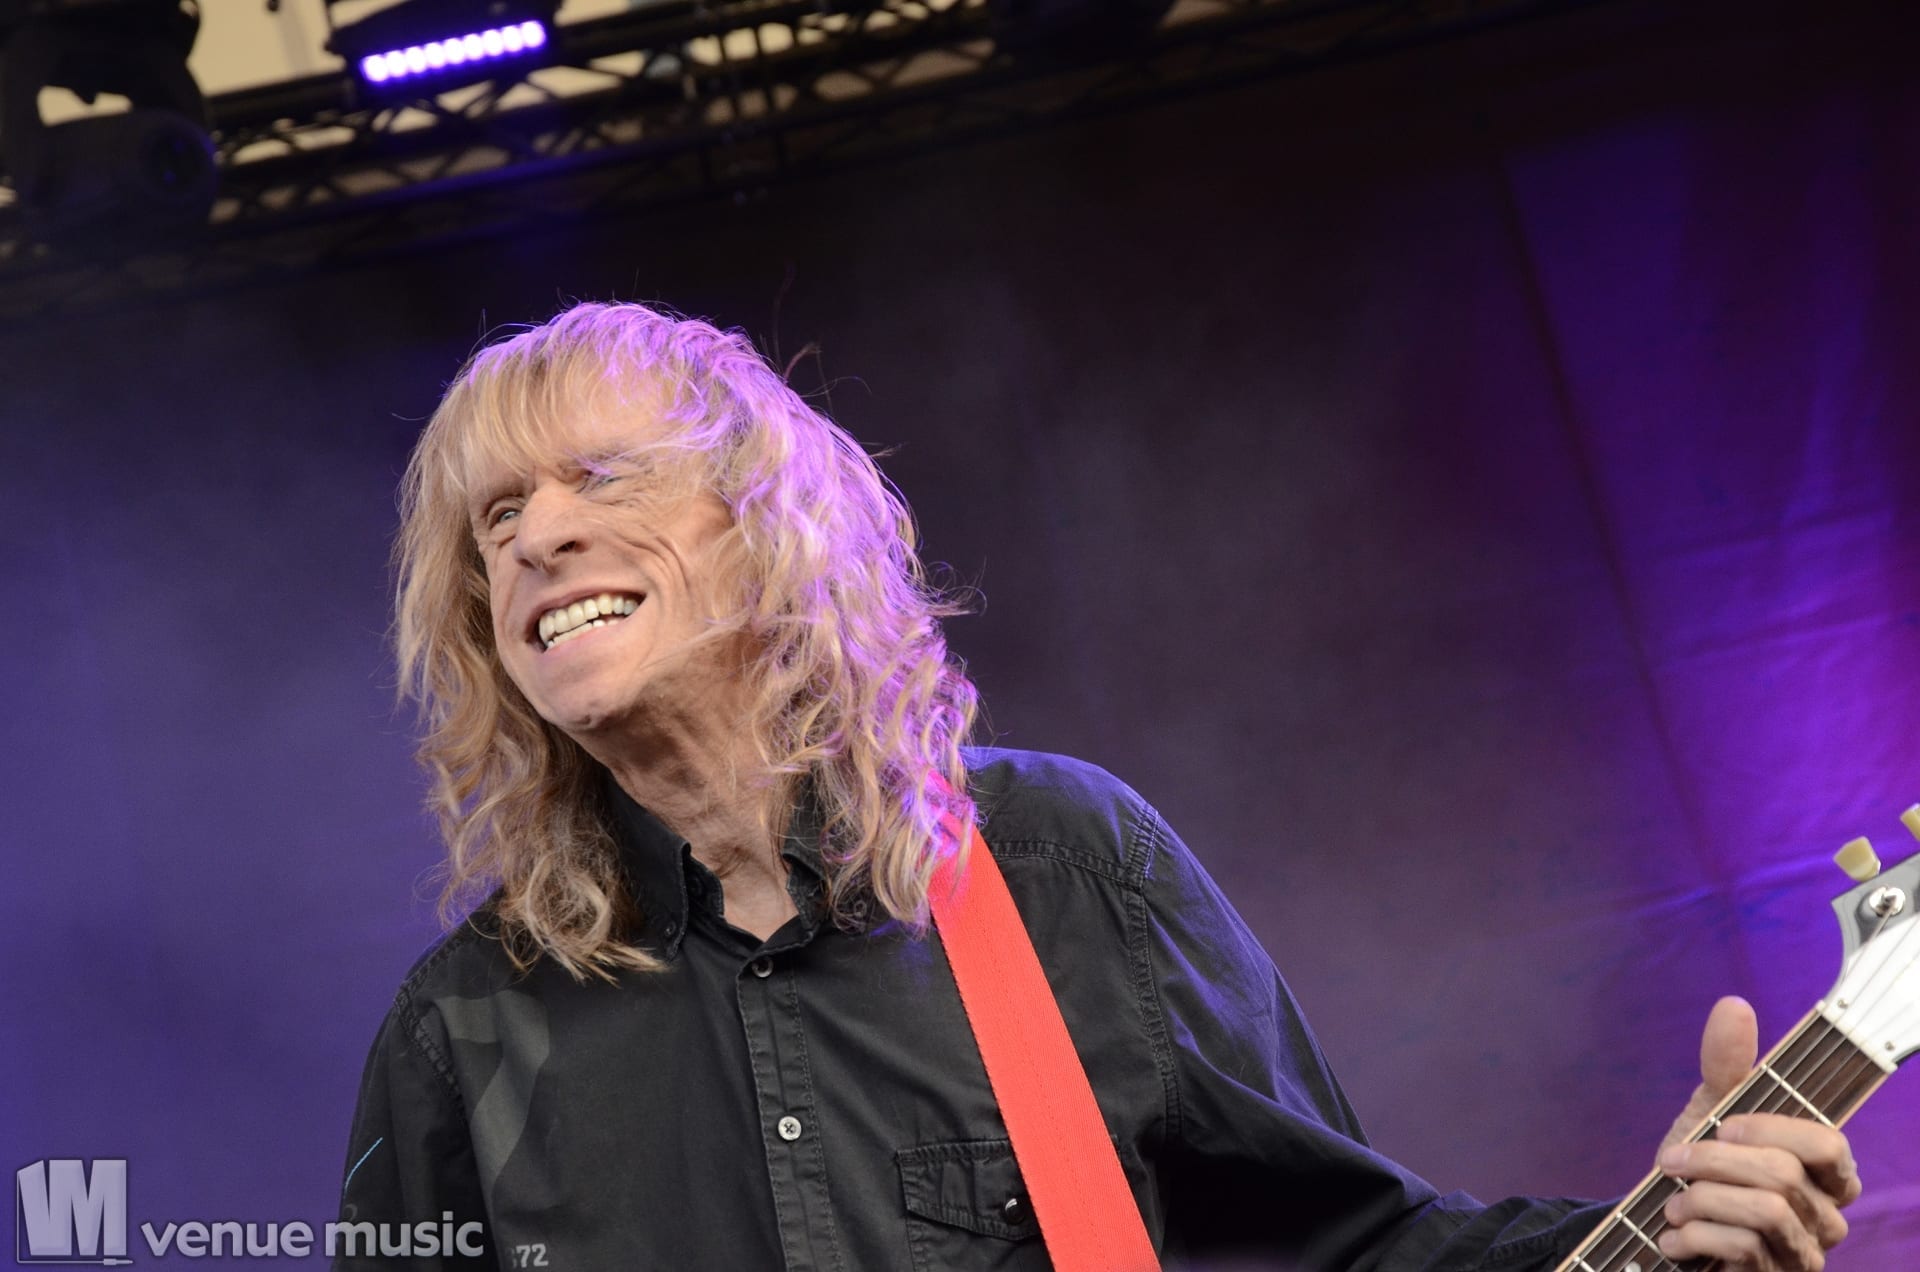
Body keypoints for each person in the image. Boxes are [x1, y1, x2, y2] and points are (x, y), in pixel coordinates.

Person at [336, 301, 1862, 1271]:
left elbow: (1350, 1251)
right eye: (496, 521)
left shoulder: (1056, 867)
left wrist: (1660, 1232)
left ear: (767, 530)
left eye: (601, 477)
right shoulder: (461, 1031)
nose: (535, 538)